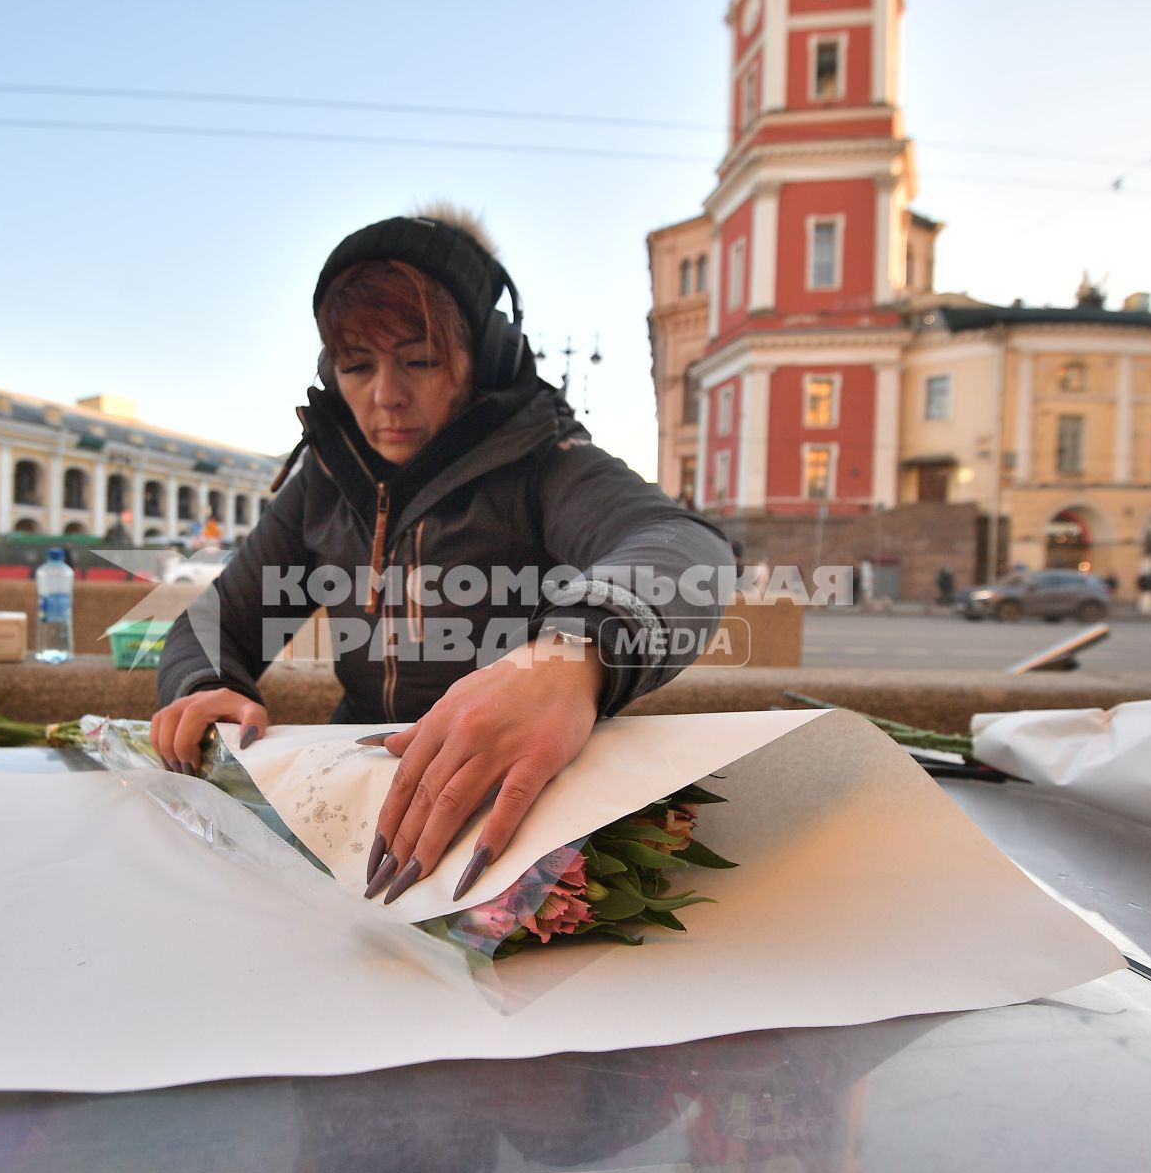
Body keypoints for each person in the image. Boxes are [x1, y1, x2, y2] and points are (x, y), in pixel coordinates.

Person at [151, 210, 734, 905]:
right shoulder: (325, 484)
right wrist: (202, 689)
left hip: (512, 801)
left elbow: (684, 545)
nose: (385, 396)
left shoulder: (543, 461)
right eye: (356, 366)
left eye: (420, 361)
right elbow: (217, 624)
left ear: (481, 358)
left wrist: (572, 654)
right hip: (358, 793)